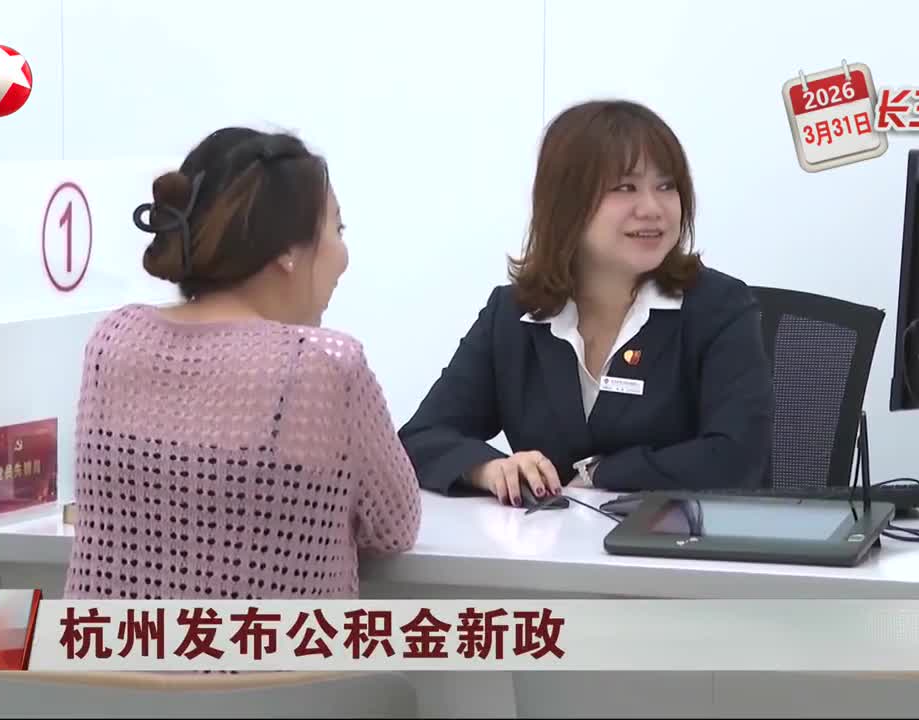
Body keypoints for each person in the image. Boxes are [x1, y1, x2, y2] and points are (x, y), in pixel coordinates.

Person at [64, 127, 421, 601]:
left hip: (108, 650)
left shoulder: (113, 341)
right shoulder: (325, 366)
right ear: (287, 251)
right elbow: (395, 525)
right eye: (337, 230)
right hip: (274, 652)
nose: (343, 257)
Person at [398, 100, 775, 506]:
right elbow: (422, 437)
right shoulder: (513, 314)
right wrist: (488, 469)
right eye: (625, 187)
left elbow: (737, 458)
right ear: (567, 202)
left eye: (667, 186)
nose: (653, 209)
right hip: (552, 543)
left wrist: (600, 473)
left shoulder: (718, 308)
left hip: (677, 541)